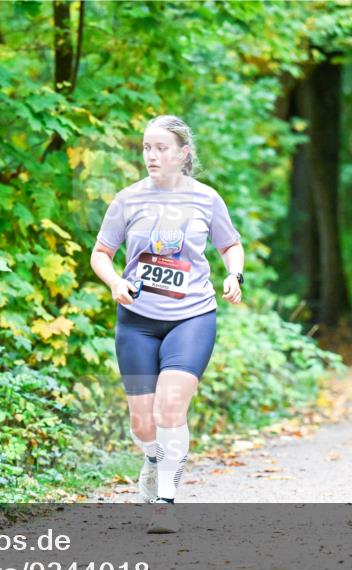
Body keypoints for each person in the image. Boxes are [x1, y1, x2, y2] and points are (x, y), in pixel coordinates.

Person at [90, 115, 245, 534]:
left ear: (183, 153)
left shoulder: (206, 199)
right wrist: (115, 281)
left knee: (170, 406)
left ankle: (165, 501)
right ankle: (153, 458)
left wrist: (234, 275)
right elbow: (101, 253)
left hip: (192, 316)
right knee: (143, 423)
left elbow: (230, 245)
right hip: (137, 321)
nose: (152, 155)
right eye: (146, 147)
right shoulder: (128, 200)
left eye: (161, 148)